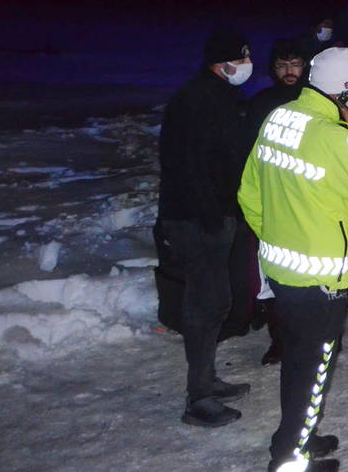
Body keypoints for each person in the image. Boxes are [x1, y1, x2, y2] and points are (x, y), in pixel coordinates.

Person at [238, 47, 348, 472]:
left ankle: (296, 436)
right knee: (313, 366)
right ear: (347, 93)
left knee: (299, 361)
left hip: (282, 268)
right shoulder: (333, 136)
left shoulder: (280, 118)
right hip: (319, 278)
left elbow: (249, 191)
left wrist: (276, 236)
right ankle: (290, 459)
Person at [156, 27, 253, 427]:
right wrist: (211, 214)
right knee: (206, 303)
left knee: (215, 300)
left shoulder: (217, 94)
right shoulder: (198, 99)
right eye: (242, 58)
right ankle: (199, 398)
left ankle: (207, 379)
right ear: (223, 62)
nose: (247, 66)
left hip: (211, 212)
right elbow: (189, 163)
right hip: (198, 218)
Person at [244, 38, 310, 366]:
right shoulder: (262, 103)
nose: (289, 71)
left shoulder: (316, 101)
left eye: (294, 64)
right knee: (272, 276)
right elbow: (248, 157)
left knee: (314, 275)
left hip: (309, 204)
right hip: (272, 205)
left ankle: (321, 336)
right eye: (282, 65)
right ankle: (279, 340)